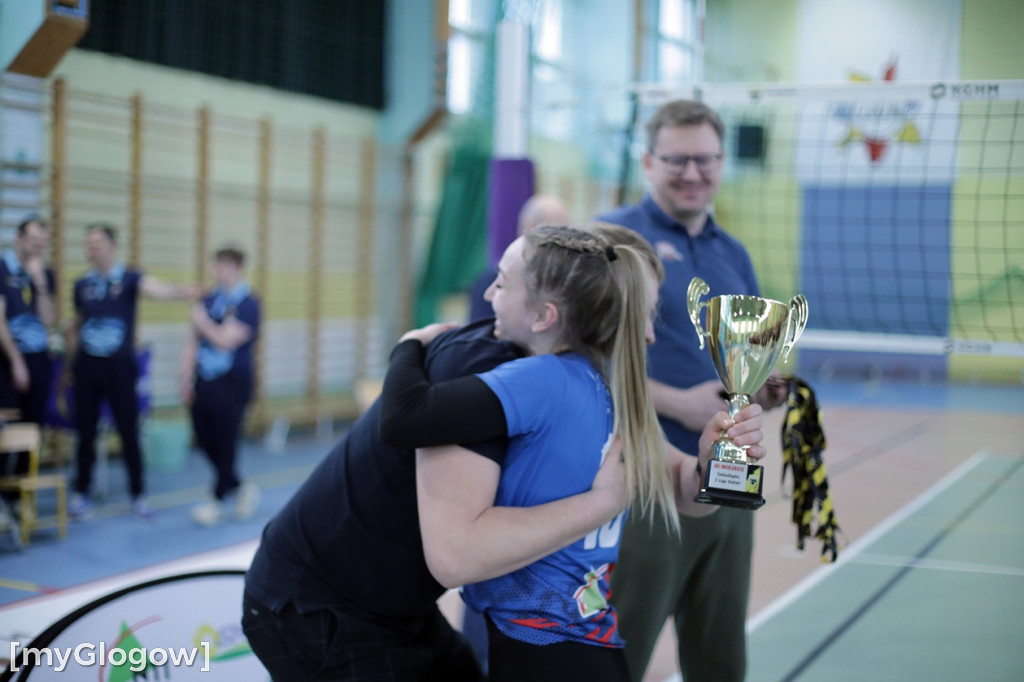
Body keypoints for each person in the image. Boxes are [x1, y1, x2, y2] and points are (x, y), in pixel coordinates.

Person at [241, 222, 763, 682]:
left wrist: (720, 462)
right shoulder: (499, 371)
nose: (647, 335)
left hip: (404, 607)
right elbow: (456, 553)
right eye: (638, 312)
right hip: (318, 603)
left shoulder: (598, 382)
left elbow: (679, 489)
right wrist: (602, 504)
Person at [598, 99, 787, 682]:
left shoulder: (733, 253)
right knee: (623, 644)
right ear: (649, 162)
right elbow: (578, 358)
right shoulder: (614, 241)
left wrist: (761, 390)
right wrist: (678, 402)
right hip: (646, 475)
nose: (692, 173)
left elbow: (749, 357)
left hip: (729, 475)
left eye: (705, 160)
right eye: (677, 160)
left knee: (720, 647)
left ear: (722, 162)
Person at [65, 223, 198, 521]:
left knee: (128, 431)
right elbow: (78, 322)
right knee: (85, 433)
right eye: (88, 244)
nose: (92, 249)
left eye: (98, 243)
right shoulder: (81, 285)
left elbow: (156, 288)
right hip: (87, 366)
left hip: (120, 368)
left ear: (112, 245)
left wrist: (179, 292)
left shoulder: (129, 278)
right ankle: (81, 493)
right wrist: (70, 367)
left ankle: (138, 493)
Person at [180, 244, 261, 526]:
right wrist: (185, 375)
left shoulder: (249, 303)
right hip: (205, 379)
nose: (218, 271)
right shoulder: (210, 299)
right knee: (204, 439)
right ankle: (239, 487)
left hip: (234, 382)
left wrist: (201, 321)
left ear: (238, 267)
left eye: (224, 265)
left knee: (227, 441)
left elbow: (226, 340)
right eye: (216, 264)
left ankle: (217, 499)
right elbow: (193, 339)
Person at [0, 214, 56, 525]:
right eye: (33, 242)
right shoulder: (2, 267)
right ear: (18, 239)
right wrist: (16, 361)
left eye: (42, 245)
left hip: (39, 360)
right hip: (7, 360)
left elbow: (49, 321)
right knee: (6, 430)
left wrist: (41, 283)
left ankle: (20, 499)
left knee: (33, 431)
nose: (37, 249)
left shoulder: (44, 273)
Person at [467, 193, 571, 321]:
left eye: (564, 230)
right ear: (529, 227)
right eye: (552, 230)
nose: (561, 242)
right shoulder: (492, 279)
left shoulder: (562, 278)